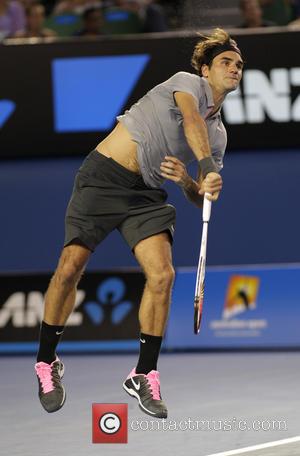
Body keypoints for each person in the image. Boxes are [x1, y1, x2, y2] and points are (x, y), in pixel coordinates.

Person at [35, 27, 244, 418]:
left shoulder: (219, 136)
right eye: (226, 62)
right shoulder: (186, 85)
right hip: (103, 178)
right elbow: (190, 122)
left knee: (163, 275)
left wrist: (188, 181)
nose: (235, 69)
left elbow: (199, 197)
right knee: (69, 267)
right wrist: (207, 167)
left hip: (145, 196)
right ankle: (46, 361)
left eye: (239, 65)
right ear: (204, 70)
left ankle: (144, 373)